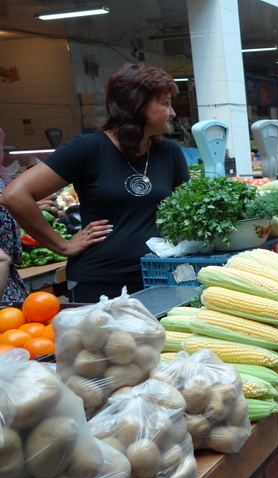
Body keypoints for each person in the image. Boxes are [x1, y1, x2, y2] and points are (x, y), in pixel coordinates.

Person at [1, 63, 189, 303]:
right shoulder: (88, 148)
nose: (172, 112)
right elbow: (14, 195)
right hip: (100, 282)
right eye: (164, 104)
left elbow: (185, 212)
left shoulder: (169, 152)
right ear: (137, 106)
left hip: (159, 277)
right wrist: (63, 246)